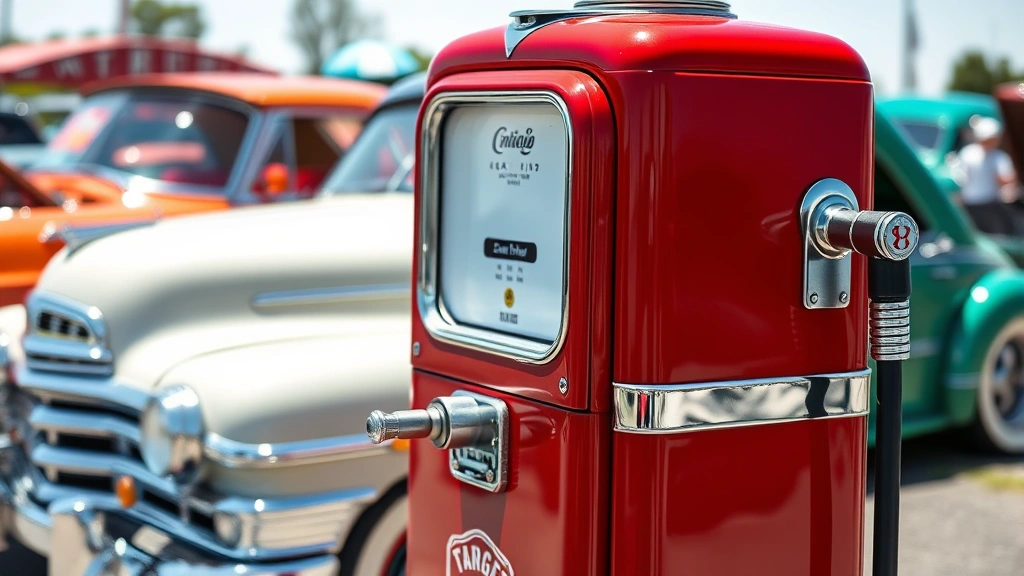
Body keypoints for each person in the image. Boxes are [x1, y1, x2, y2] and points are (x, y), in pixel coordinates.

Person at [957, 117, 1019, 235]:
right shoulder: (998, 157)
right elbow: (1005, 180)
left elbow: (960, 180)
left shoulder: (967, 153)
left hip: (975, 205)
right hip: (987, 206)